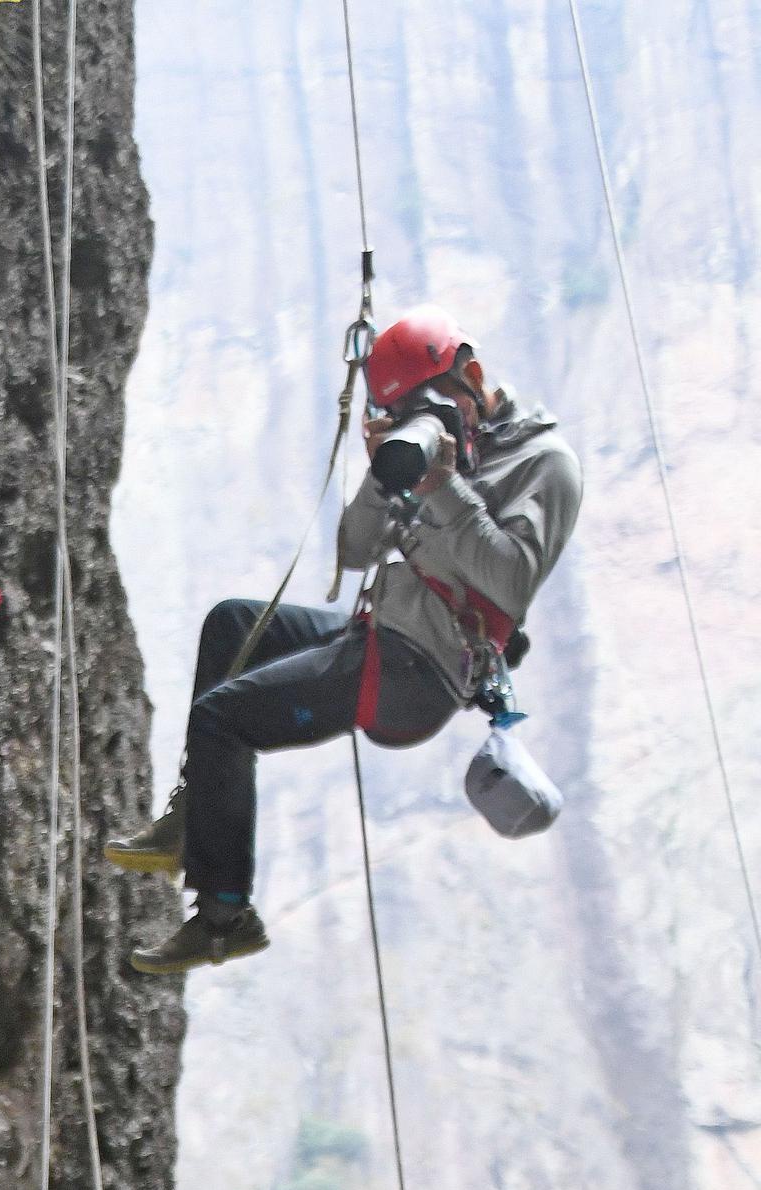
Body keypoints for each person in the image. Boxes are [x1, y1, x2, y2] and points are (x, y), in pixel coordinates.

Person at [111, 308, 582, 974]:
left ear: (472, 377)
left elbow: (510, 578)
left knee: (223, 718)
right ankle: (194, 818)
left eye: (428, 407)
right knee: (232, 625)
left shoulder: (545, 463)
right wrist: (385, 471)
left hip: (418, 670)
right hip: (381, 631)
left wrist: (444, 487)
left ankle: (223, 918)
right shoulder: (438, 456)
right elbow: (356, 550)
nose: (426, 425)